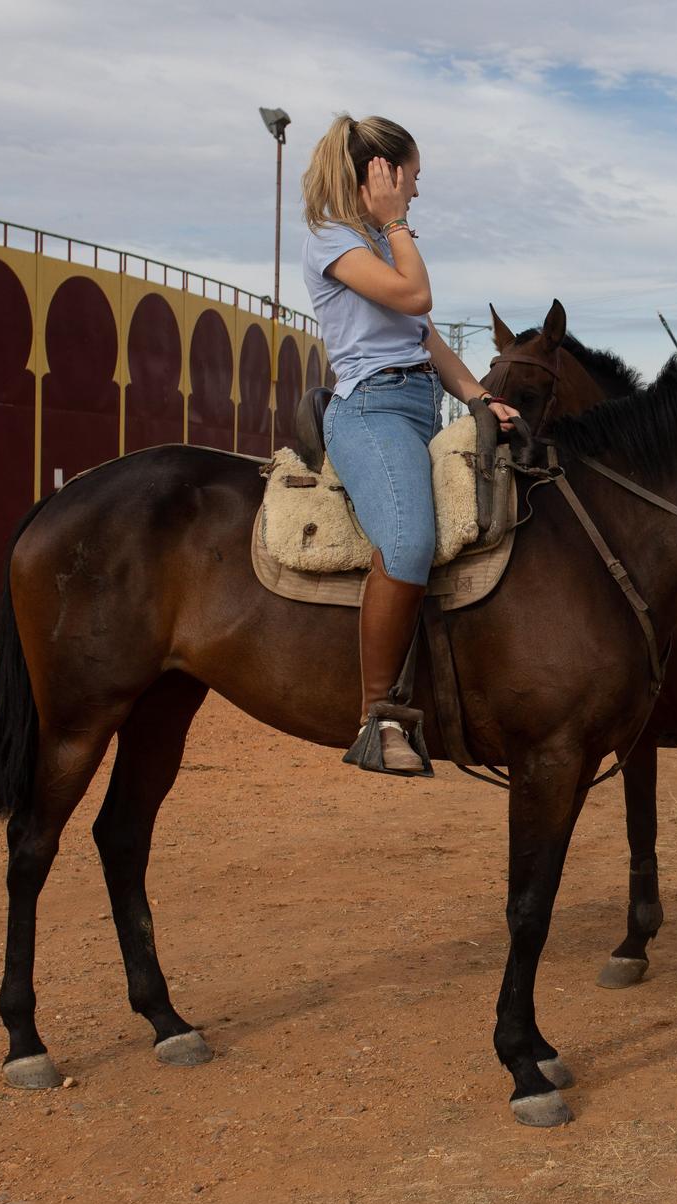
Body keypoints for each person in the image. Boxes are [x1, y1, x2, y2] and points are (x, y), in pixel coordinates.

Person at [301, 113, 520, 775]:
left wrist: (482, 398)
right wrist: (397, 224)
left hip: (421, 404)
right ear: (382, 175)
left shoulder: (373, 242)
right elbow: (417, 292)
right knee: (410, 540)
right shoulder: (332, 240)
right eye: (412, 178)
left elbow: (426, 338)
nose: (416, 193)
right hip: (369, 411)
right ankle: (379, 717)